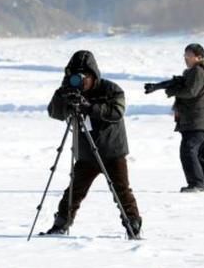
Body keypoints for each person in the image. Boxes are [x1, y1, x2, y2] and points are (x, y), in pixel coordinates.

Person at [44, 50, 142, 238]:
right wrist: (62, 95)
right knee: (74, 191)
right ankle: (61, 224)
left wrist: (90, 107)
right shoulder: (69, 91)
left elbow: (117, 112)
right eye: (75, 76)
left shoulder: (111, 89)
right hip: (87, 153)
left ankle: (133, 224)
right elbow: (55, 113)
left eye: (84, 77)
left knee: (121, 190)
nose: (80, 81)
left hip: (112, 150)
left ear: (93, 75)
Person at [165, 43, 204, 193]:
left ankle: (197, 184)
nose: (186, 58)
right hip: (202, 120)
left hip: (196, 120)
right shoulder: (201, 72)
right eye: (185, 55)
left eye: (189, 55)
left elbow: (191, 92)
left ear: (199, 57)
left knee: (188, 151)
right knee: (200, 153)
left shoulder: (198, 72)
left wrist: (173, 90)